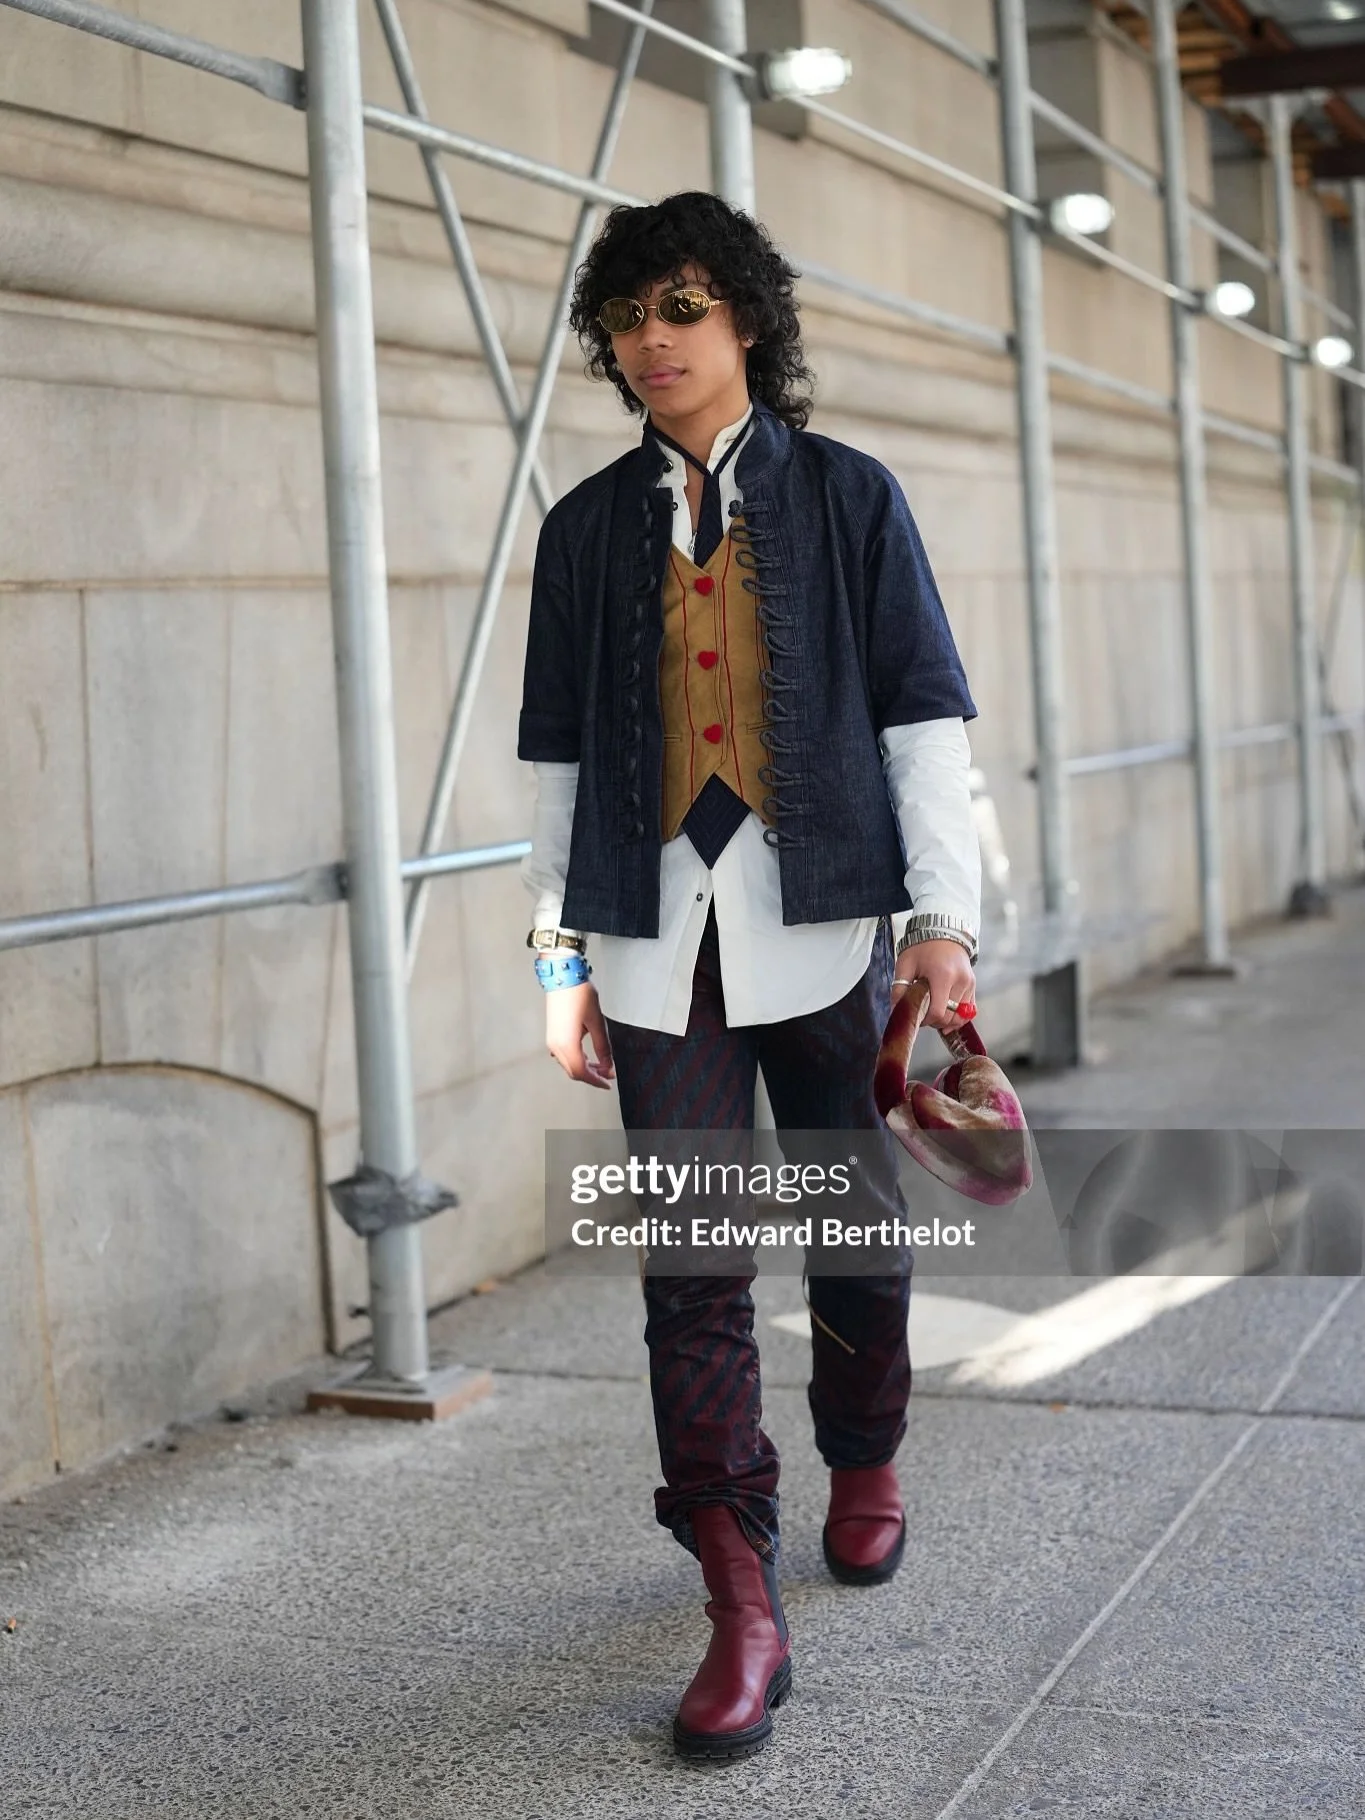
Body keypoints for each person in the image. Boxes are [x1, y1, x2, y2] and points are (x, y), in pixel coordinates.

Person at [516, 190, 981, 1761]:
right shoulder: (584, 528)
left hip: (829, 919)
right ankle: (738, 1590)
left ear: (750, 323)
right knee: (695, 1270)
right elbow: (557, 765)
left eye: (685, 309)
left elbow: (922, 721)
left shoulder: (851, 498)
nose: (653, 341)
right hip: (656, 949)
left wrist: (945, 921)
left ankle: (865, 1454)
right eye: (630, 318)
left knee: (852, 1230)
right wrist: (559, 958)